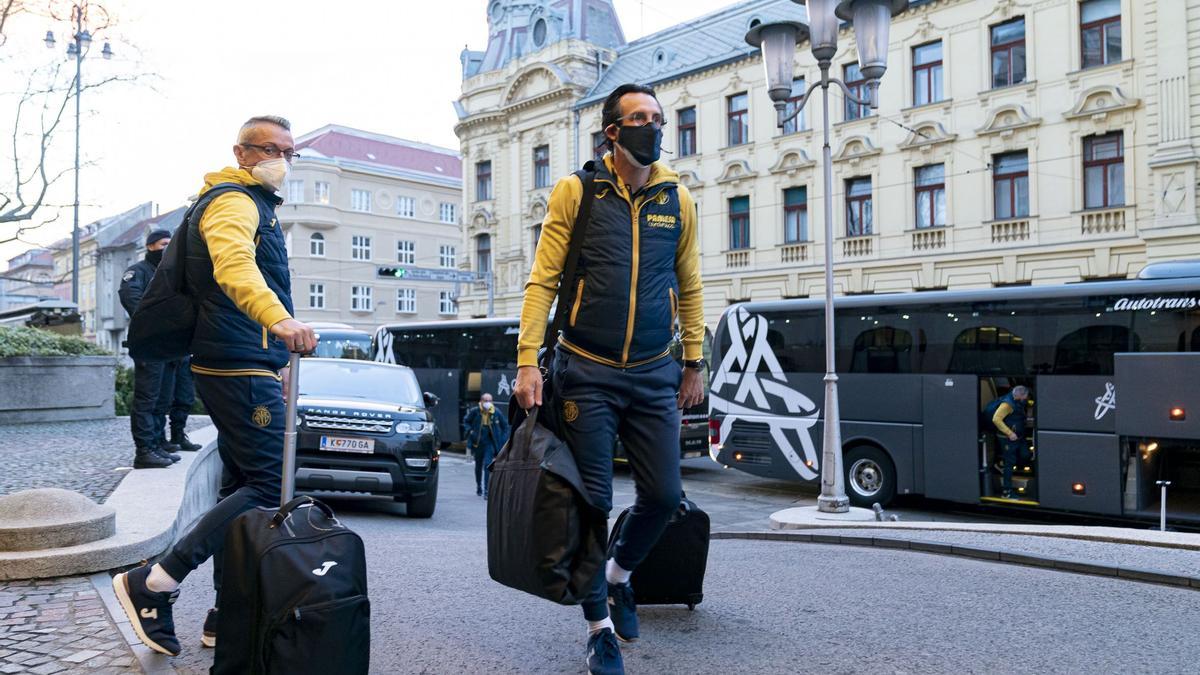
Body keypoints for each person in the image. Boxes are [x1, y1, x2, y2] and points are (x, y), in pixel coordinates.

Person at [513, 83, 705, 675]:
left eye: (658, 117)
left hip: (654, 372)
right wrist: (526, 358)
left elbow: (690, 282)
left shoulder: (678, 196)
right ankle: (598, 628)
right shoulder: (578, 191)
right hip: (587, 370)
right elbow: (543, 280)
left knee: (666, 496)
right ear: (613, 133)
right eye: (639, 118)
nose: (652, 126)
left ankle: (619, 577)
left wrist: (693, 360)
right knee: (593, 500)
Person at [112, 115, 317, 657]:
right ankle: (155, 581)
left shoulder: (254, 203)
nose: (281, 158)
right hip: (236, 359)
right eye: (270, 148)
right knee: (272, 484)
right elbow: (234, 267)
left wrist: (276, 354)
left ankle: (228, 614)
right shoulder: (235, 200)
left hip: (247, 357)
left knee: (239, 489)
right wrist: (279, 323)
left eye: (289, 151)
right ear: (242, 151)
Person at [118, 229, 180, 469]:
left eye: (169, 244)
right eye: (163, 243)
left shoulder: (168, 272)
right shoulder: (138, 271)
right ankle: (144, 450)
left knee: (163, 399)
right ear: (151, 246)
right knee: (147, 399)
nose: (167, 247)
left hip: (168, 344)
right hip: (148, 342)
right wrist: (159, 321)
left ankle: (156, 443)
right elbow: (130, 298)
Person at [986, 385, 1032, 499]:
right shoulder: (1007, 404)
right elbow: (996, 419)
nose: (1026, 398)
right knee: (1009, 463)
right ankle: (1007, 491)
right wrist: (1009, 433)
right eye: (1025, 396)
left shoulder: (1017, 400)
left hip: (1019, 437)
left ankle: (1001, 463)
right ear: (1020, 395)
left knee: (1025, 455)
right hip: (1007, 438)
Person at [463, 393, 509, 498]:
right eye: (485, 400)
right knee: (478, 465)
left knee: (488, 465)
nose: (488, 403)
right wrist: (470, 431)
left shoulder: (496, 412)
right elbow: (466, 421)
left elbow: (505, 426)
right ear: (481, 401)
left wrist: (502, 440)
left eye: (490, 400)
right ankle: (479, 486)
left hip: (490, 443)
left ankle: (487, 491)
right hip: (478, 442)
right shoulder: (475, 411)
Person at [154, 357, 202, 454]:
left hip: (184, 354)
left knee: (185, 397)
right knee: (163, 399)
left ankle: (178, 435)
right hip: (166, 353)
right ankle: (159, 439)